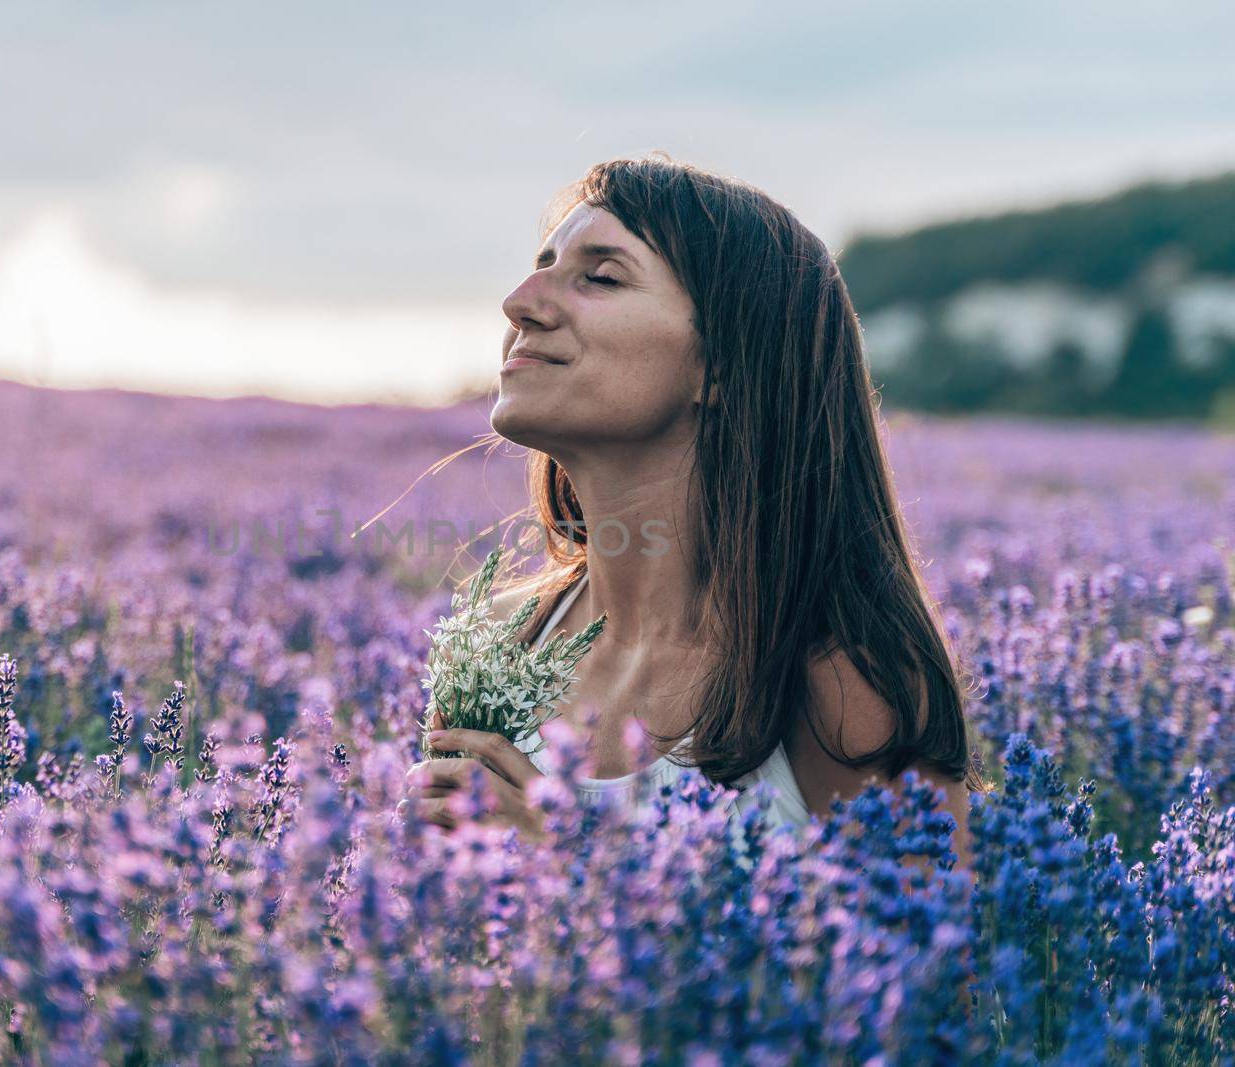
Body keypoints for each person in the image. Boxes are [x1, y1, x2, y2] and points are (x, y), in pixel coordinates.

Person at [400, 152, 991, 882]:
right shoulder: (501, 636)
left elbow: (934, 988)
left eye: (601, 275)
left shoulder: (837, 682)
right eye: (543, 264)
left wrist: (572, 867)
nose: (521, 301)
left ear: (722, 364)